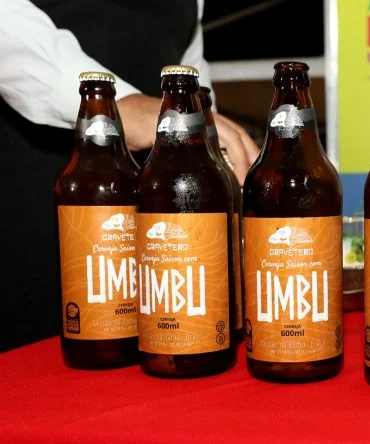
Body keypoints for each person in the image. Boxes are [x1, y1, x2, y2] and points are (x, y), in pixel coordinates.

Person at [0, 0, 259, 352]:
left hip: (160, 196)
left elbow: (187, 62)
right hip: (45, 179)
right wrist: (123, 103)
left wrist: (207, 136)